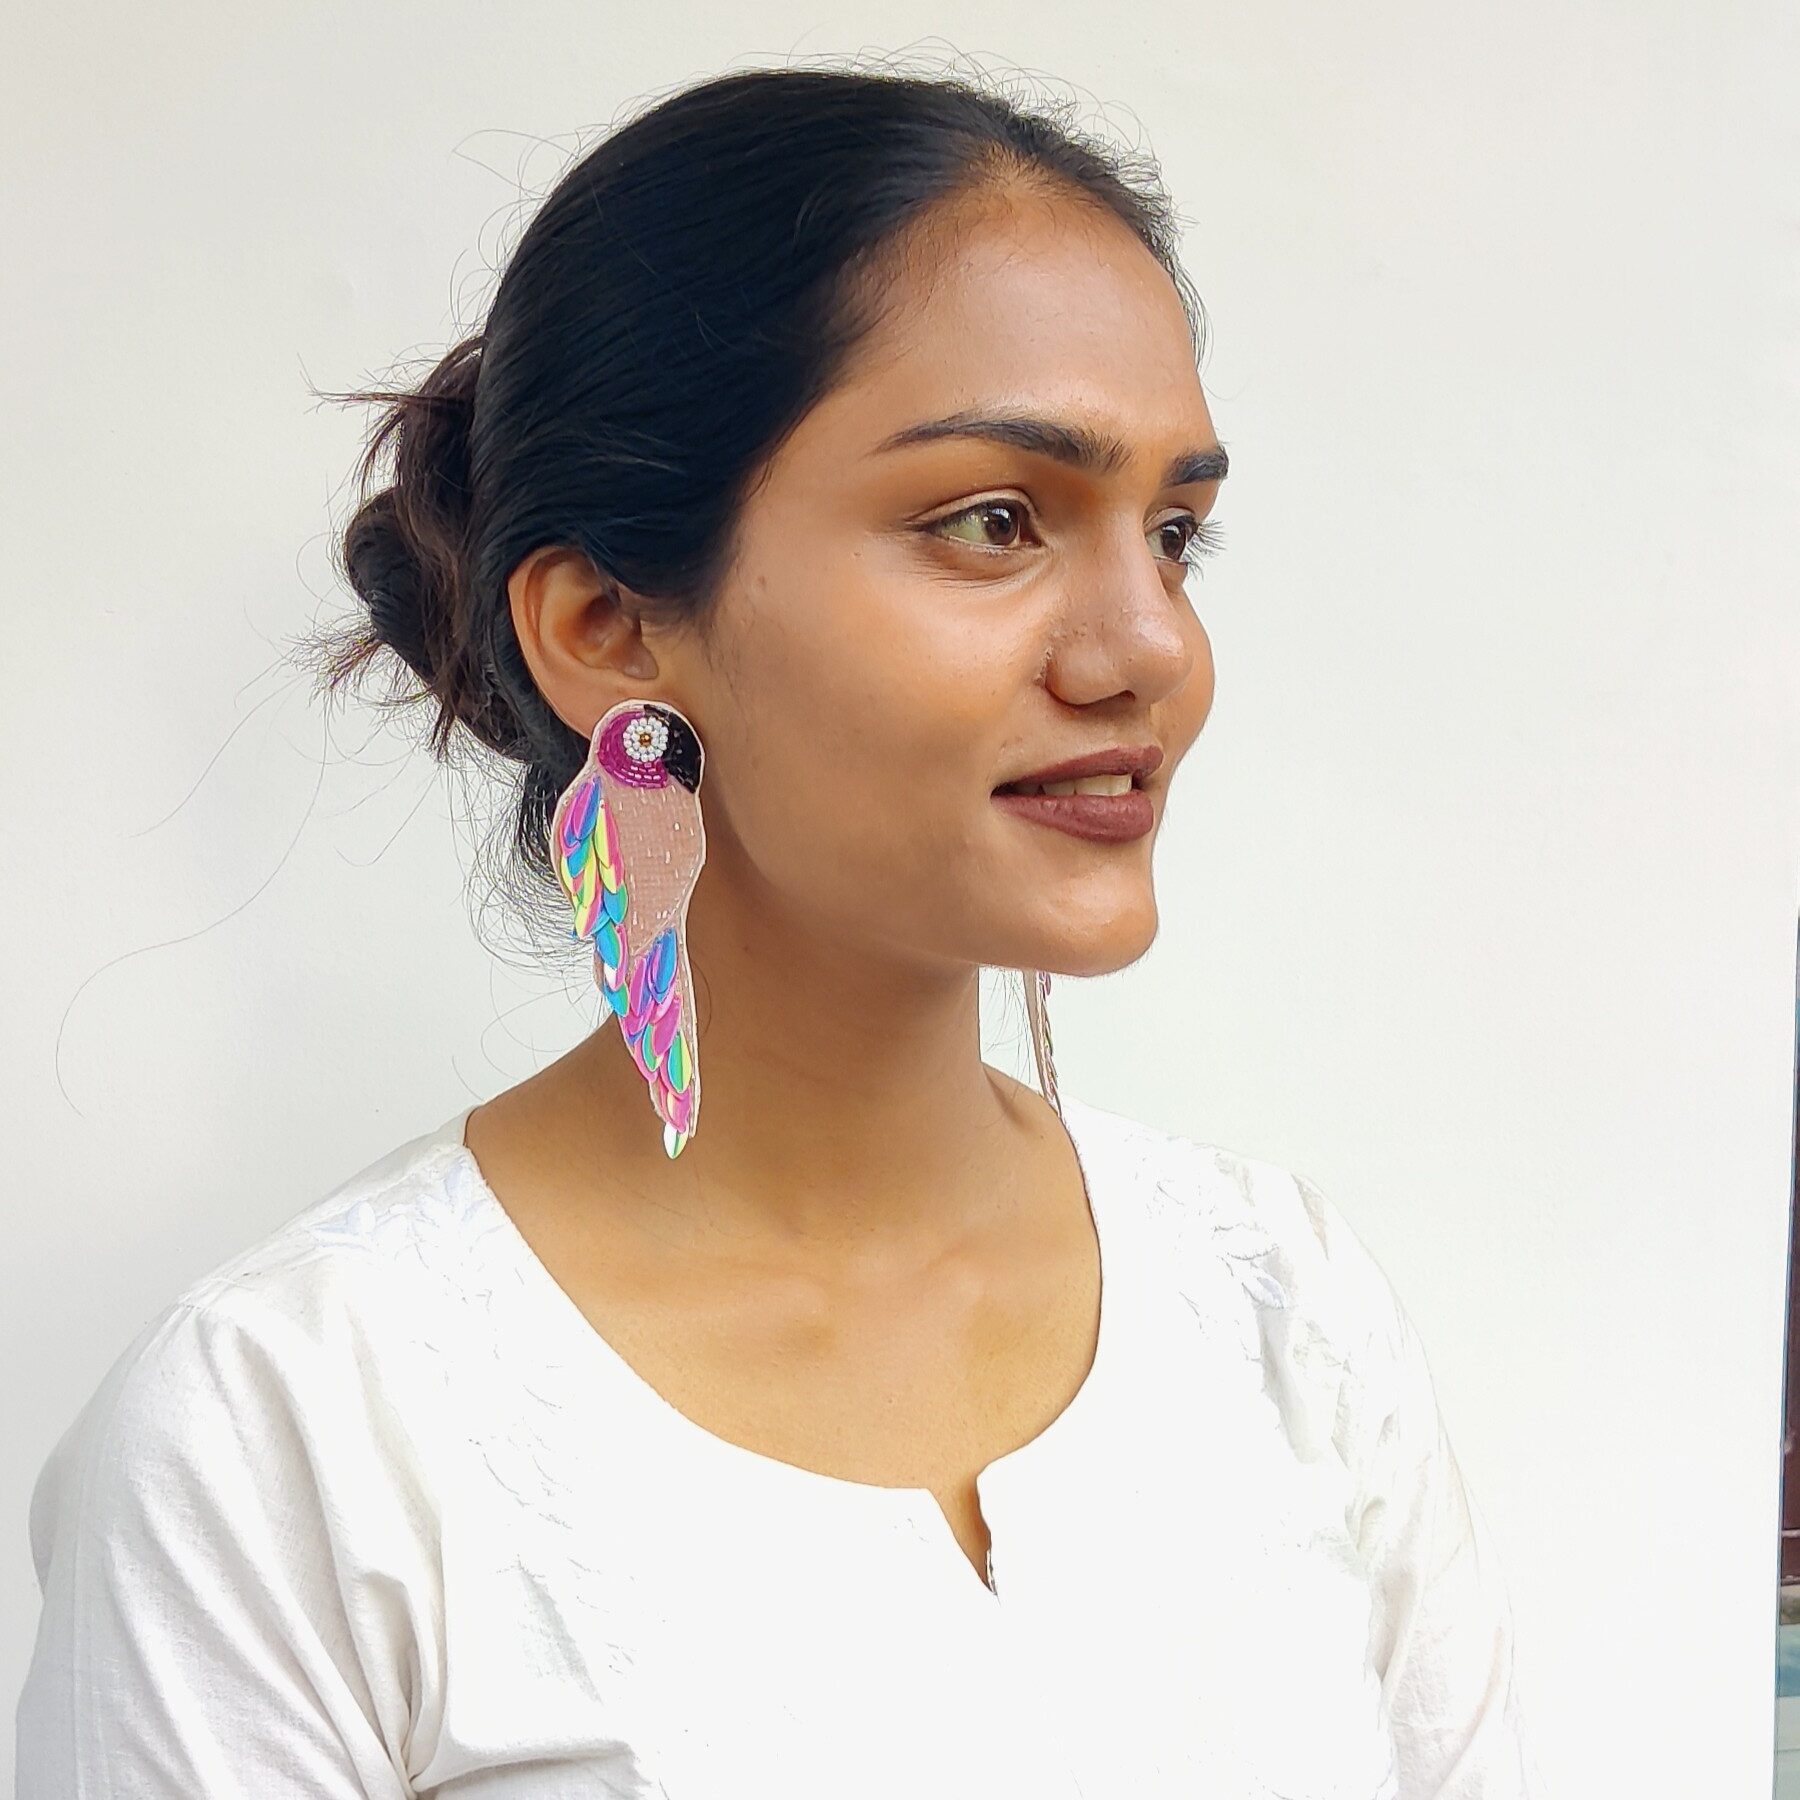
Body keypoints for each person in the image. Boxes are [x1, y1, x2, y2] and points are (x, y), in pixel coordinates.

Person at [15, 63, 1546, 1799]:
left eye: (1176, 533)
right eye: (994, 522)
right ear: (607, 629)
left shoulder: (1288, 1314)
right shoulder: (288, 1435)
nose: (1151, 648)